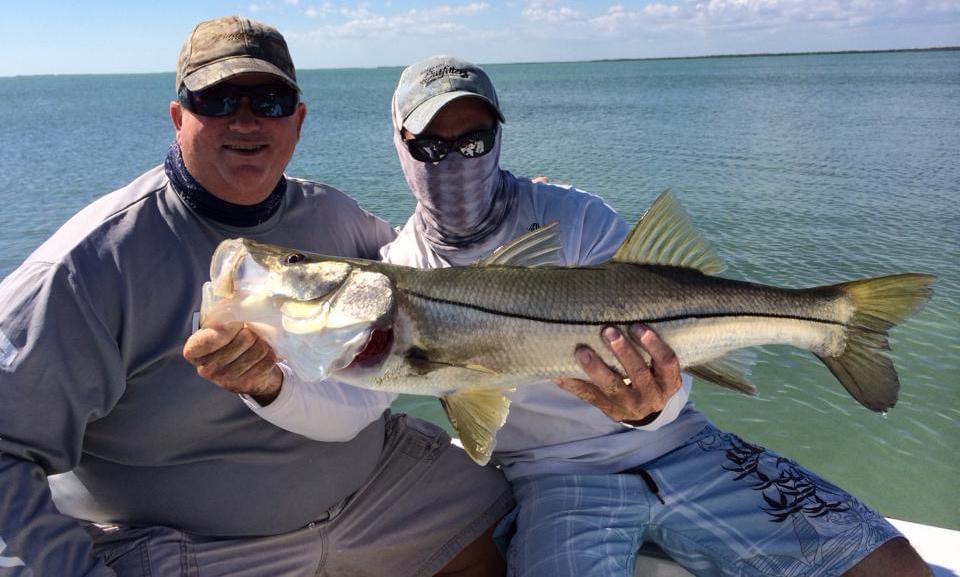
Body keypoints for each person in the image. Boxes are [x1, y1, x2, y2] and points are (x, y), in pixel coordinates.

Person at [241, 55, 931, 577]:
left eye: (473, 141)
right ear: (401, 145)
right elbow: (357, 399)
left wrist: (650, 409)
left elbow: (667, 332)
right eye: (431, 146)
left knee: (894, 566)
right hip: (555, 481)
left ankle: (832, 320)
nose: (454, 160)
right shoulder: (397, 264)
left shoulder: (573, 216)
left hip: (686, 447)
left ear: (500, 137)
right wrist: (264, 377)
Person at [0, 21, 513, 577]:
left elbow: (432, 280)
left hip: (378, 496)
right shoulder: (86, 268)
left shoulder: (335, 215)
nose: (245, 120)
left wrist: (514, 220)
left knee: (517, 521)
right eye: (217, 99)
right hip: (196, 545)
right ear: (179, 118)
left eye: (270, 101)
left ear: (297, 121)